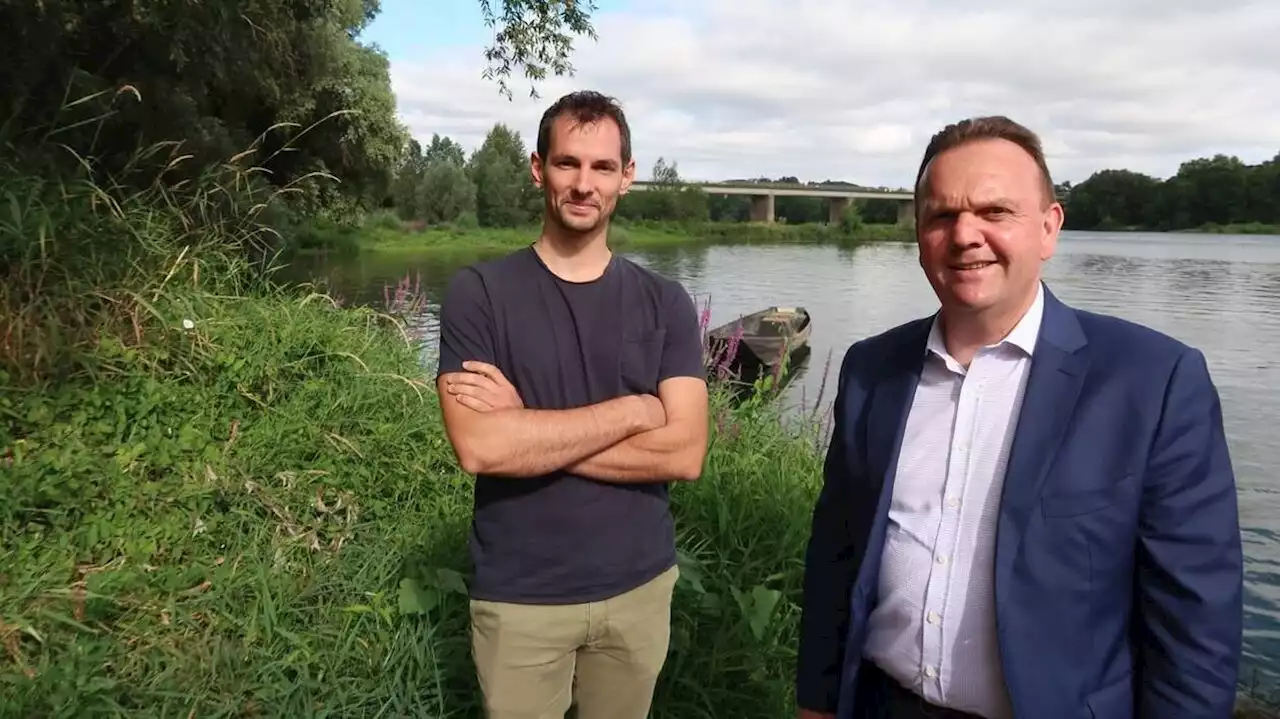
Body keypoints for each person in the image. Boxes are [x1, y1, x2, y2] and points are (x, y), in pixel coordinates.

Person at [795, 115, 1243, 719]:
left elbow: (1196, 618)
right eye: (942, 216)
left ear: (1048, 227)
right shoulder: (871, 369)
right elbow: (837, 554)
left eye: (995, 212)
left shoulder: (1152, 382)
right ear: (919, 234)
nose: (965, 236)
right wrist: (819, 701)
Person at [433, 90, 709, 719]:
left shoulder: (665, 303)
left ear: (626, 177)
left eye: (603, 167)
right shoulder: (479, 294)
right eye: (568, 163)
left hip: (640, 589)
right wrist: (636, 411)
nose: (584, 184)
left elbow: (687, 453)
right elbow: (480, 447)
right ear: (539, 168)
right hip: (521, 596)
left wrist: (527, 429)